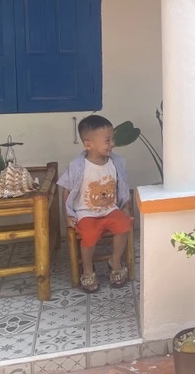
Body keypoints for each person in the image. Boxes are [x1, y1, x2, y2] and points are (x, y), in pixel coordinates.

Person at [58, 114, 132, 293]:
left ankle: (115, 261)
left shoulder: (115, 162)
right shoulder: (78, 166)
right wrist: (67, 214)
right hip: (86, 212)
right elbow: (66, 190)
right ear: (88, 144)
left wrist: (125, 206)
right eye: (107, 140)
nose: (112, 144)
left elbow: (122, 186)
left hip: (110, 209)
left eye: (112, 139)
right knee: (89, 235)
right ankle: (88, 269)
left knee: (124, 225)